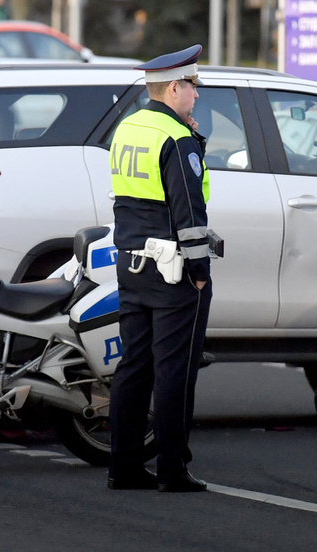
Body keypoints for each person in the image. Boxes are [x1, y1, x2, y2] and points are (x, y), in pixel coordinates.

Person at [107, 45, 212, 493]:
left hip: (131, 264)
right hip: (173, 269)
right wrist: (200, 269)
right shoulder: (176, 137)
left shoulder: (127, 127)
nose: (197, 96)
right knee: (175, 369)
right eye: (192, 87)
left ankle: (124, 467)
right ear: (174, 88)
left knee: (133, 367)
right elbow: (189, 210)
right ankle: (172, 469)